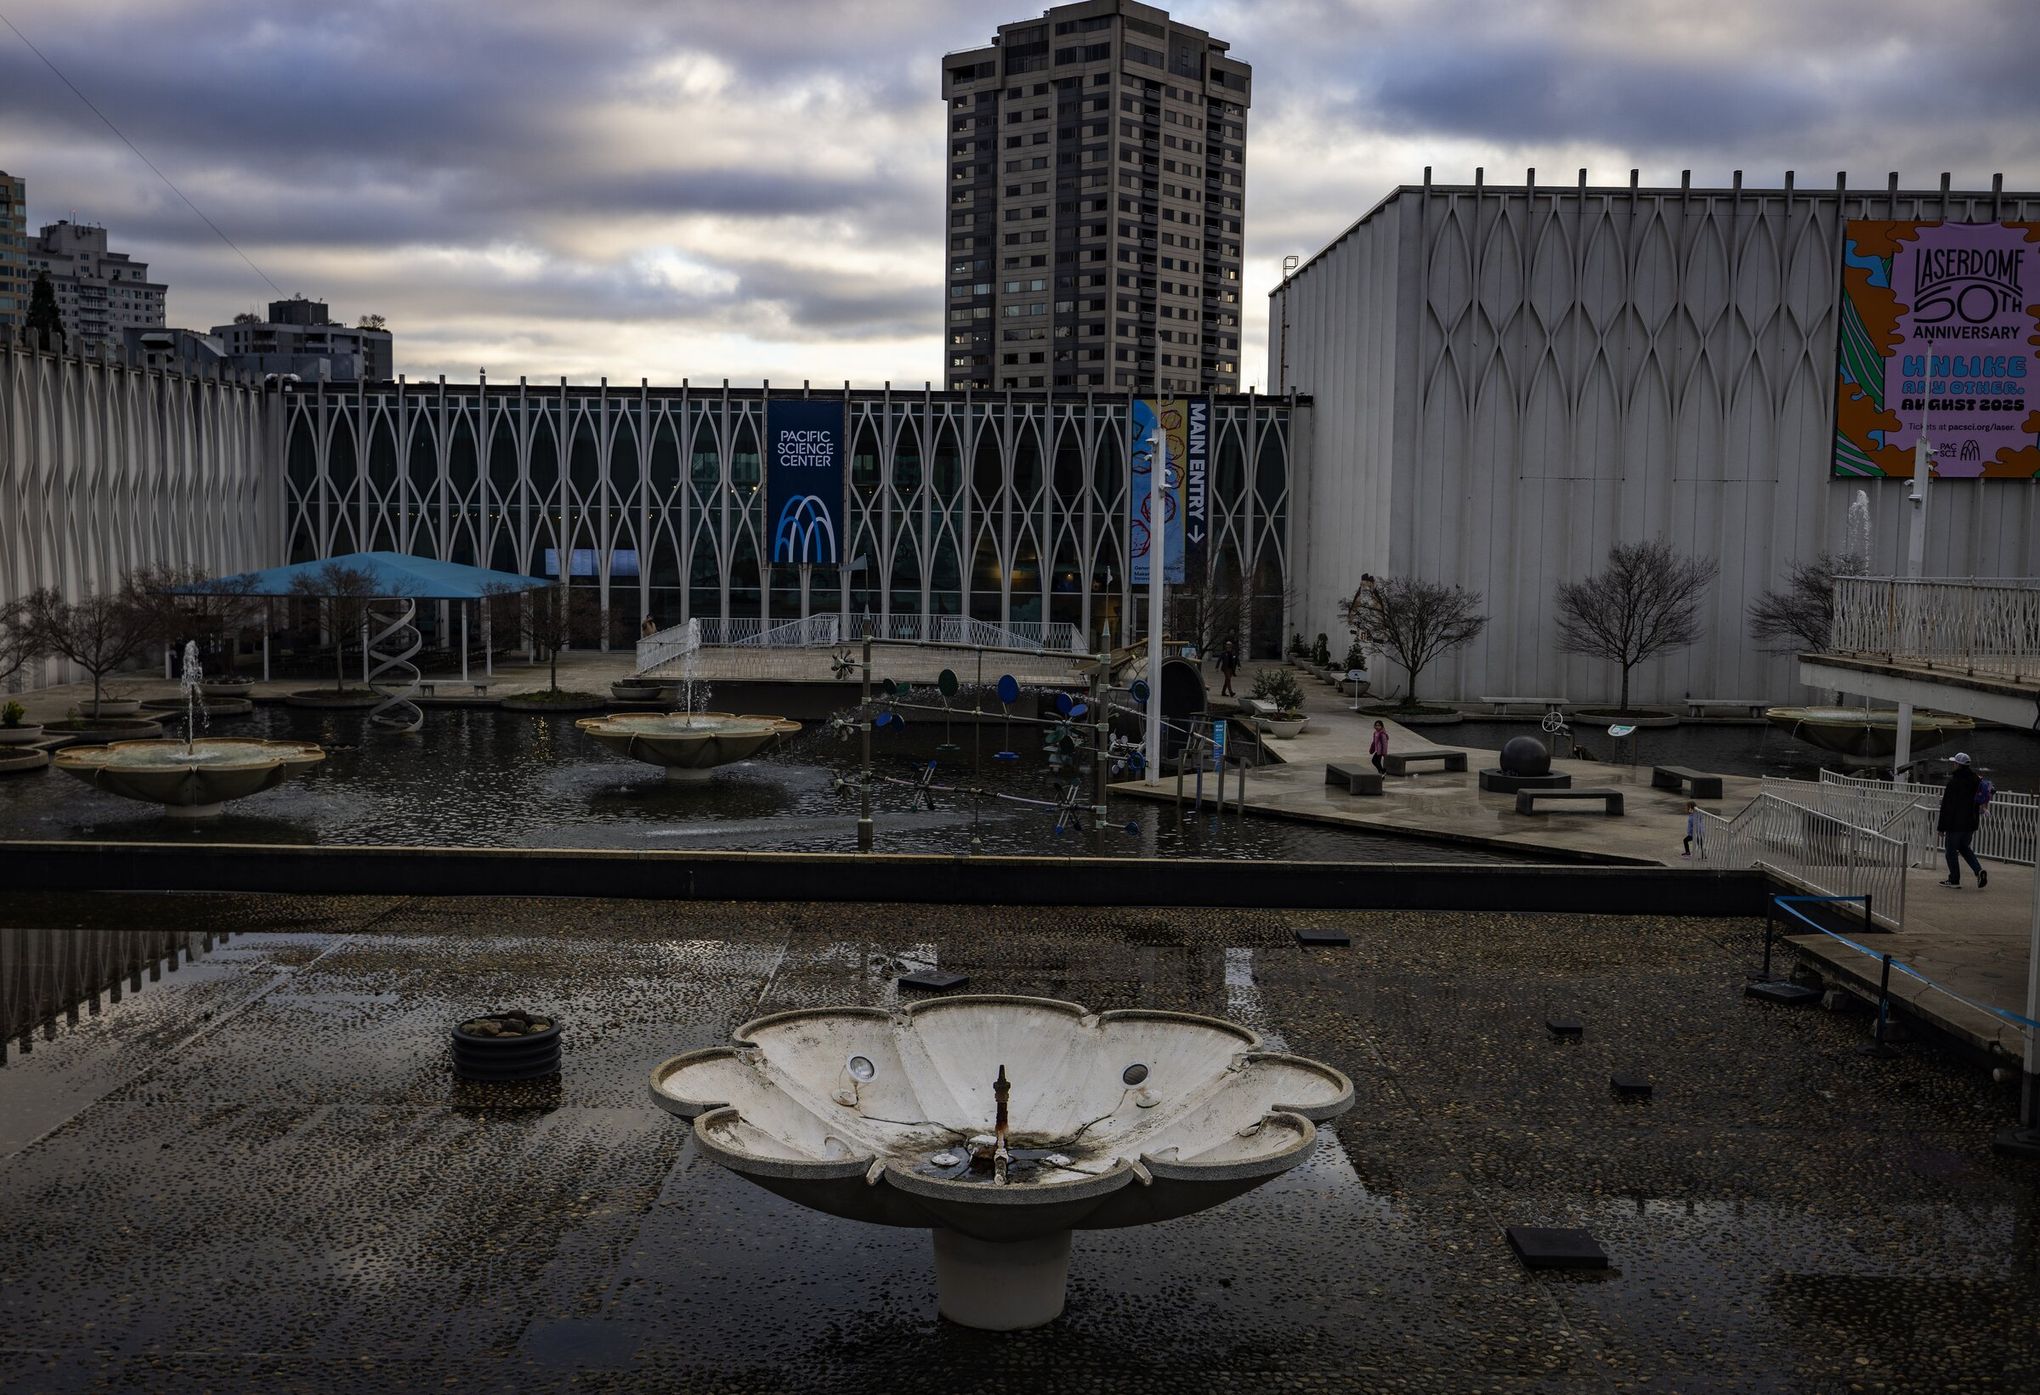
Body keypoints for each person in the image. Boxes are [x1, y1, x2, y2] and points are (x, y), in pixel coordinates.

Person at [1936, 752, 1989, 889]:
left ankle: (1954, 879)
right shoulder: (1976, 780)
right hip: (1971, 822)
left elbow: (1947, 806)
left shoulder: (1954, 782)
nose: (1953, 765)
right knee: (1964, 847)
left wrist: (1941, 827)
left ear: (1958, 765)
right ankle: (1978, 871)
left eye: (1954, 763)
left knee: (1950, 852)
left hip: (1955, 824)